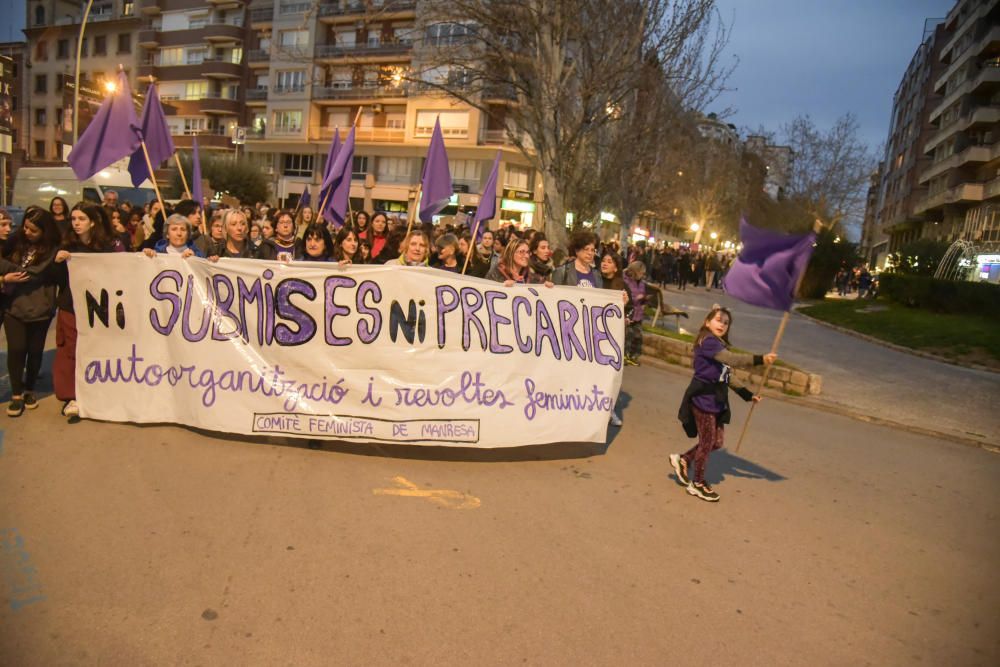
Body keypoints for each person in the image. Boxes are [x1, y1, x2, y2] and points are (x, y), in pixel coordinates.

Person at [669, 305, 777, 502]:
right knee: (707, 442)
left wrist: (747, 394)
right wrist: (760, 359)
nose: (722, 324)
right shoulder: (708, 341)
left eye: (726, 322)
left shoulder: (718, 345)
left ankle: (683, 459)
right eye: (718, 319)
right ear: (707, 322)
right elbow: (731, 360)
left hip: (716, 399)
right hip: (703, 398)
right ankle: (698, 483)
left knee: (716, 442)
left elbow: (727, 374)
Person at [54, 203, 128, 421]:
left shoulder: (108, 245)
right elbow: (56, 279)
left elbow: (124, 267)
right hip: (71, 307)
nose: (76, 223)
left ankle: (99, 392)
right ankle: (71, 397)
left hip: (101, 307)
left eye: (81, 219)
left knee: (100, 348)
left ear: (93, 222)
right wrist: (57, 262)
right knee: (71, 349)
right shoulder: (68, 245)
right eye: (74, 219)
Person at [0, 207, 62, 417]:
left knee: (35, 352)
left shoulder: (52, 250)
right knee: (16, 349)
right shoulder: (15, 241)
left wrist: (4, 267)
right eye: (25, 227)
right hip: (14, 307)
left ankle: (29, 389)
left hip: (40, 309)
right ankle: (16, 394)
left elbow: (29, 274)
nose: (26, 232)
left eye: (33, 230)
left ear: (44, 231)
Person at [622, 260, 649, 366]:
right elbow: (627, 296)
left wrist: (644, 299)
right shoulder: (625, 280)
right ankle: (624, 356)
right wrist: (636, 298)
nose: (643, 275)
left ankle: (633, 356)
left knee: (638, 337)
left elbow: (643, 293)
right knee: (628, 336)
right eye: (641, 273)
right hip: (628, 313)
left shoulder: (641, 282)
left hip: (638, 313)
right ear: (636, 271)